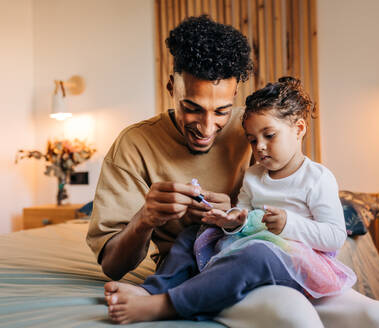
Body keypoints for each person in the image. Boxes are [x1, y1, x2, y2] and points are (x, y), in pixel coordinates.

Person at [87, 15, 379, 328]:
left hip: (273, 255)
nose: (207, 127)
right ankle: (158, 297)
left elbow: (305, 210)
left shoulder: (253, 127)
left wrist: (245, 216)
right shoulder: (133, 145)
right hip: (212, 260)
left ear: (236, 95)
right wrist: (147, 218)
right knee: (294, 315)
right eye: (192, 107)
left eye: (222, 111)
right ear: (171, 87)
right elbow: (113, 266)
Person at [104, 77, 356, 323]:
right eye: (252, 140)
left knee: (256, 256)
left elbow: (334, 237)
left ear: (299, 129)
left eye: (269, 136)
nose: (259, 147)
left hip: (291, 259)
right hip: (252, 244)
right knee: (193, 233)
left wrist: (289, 224)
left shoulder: (317, 179)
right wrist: (230, 220)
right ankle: (154, 288)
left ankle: (168, 305)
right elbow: (243, 214)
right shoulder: (254, 174)